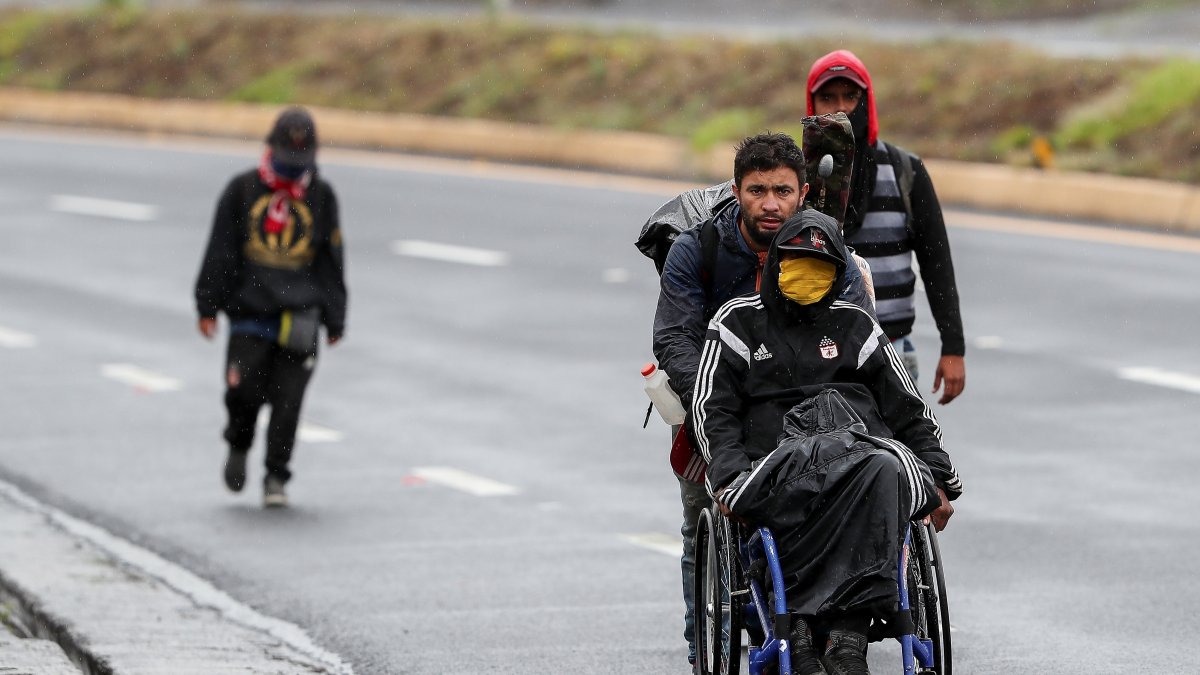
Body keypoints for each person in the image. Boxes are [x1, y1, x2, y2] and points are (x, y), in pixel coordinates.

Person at [691, 208, 962, 675]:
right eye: (796, 261)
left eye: (819, 265)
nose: (806, 273)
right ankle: (796, 627)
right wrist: (729, 479)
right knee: (826, 469)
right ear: (776, 262)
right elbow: (713, 412)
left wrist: (938, 477)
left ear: (837, 270)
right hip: (777, 462)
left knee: (885, 468)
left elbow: (909, 410)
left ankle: (847, 635)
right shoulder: (736, 324)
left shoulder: (857, 327)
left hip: (860, 459)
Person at [649, 132, 872, 667]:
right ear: (736, 191)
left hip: (809, 407)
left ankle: (827, 624)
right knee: (701, 513)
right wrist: (718, 397)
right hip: (715, 403)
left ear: (802, 194)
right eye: (756, 191)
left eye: (781, 191)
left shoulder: (827, 249)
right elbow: (675, 339)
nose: (770, 204)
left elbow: (859, 335)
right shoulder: (695, 251)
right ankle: (703, 643)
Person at [194, 106, 347, 508]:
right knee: (242, 393)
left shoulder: (322, 196)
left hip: (300, 317)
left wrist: (335, 316)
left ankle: (276, 476)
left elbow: (332, 260)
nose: (294, 169)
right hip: (250, 314)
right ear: (269, 148)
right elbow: (220, 250)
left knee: (289, 403)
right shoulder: (242, 190)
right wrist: (207, 305)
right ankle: (239, 443)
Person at [808, 49, 966, 405]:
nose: (842, 107)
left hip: (891, 350)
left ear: (868, 101)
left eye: (851, 96)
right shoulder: (796, 175)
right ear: (811, 103)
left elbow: (936, 262)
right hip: (817, 351)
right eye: (827, 97)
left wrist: (953, 346)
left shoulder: (904, 171)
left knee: (894, 457)